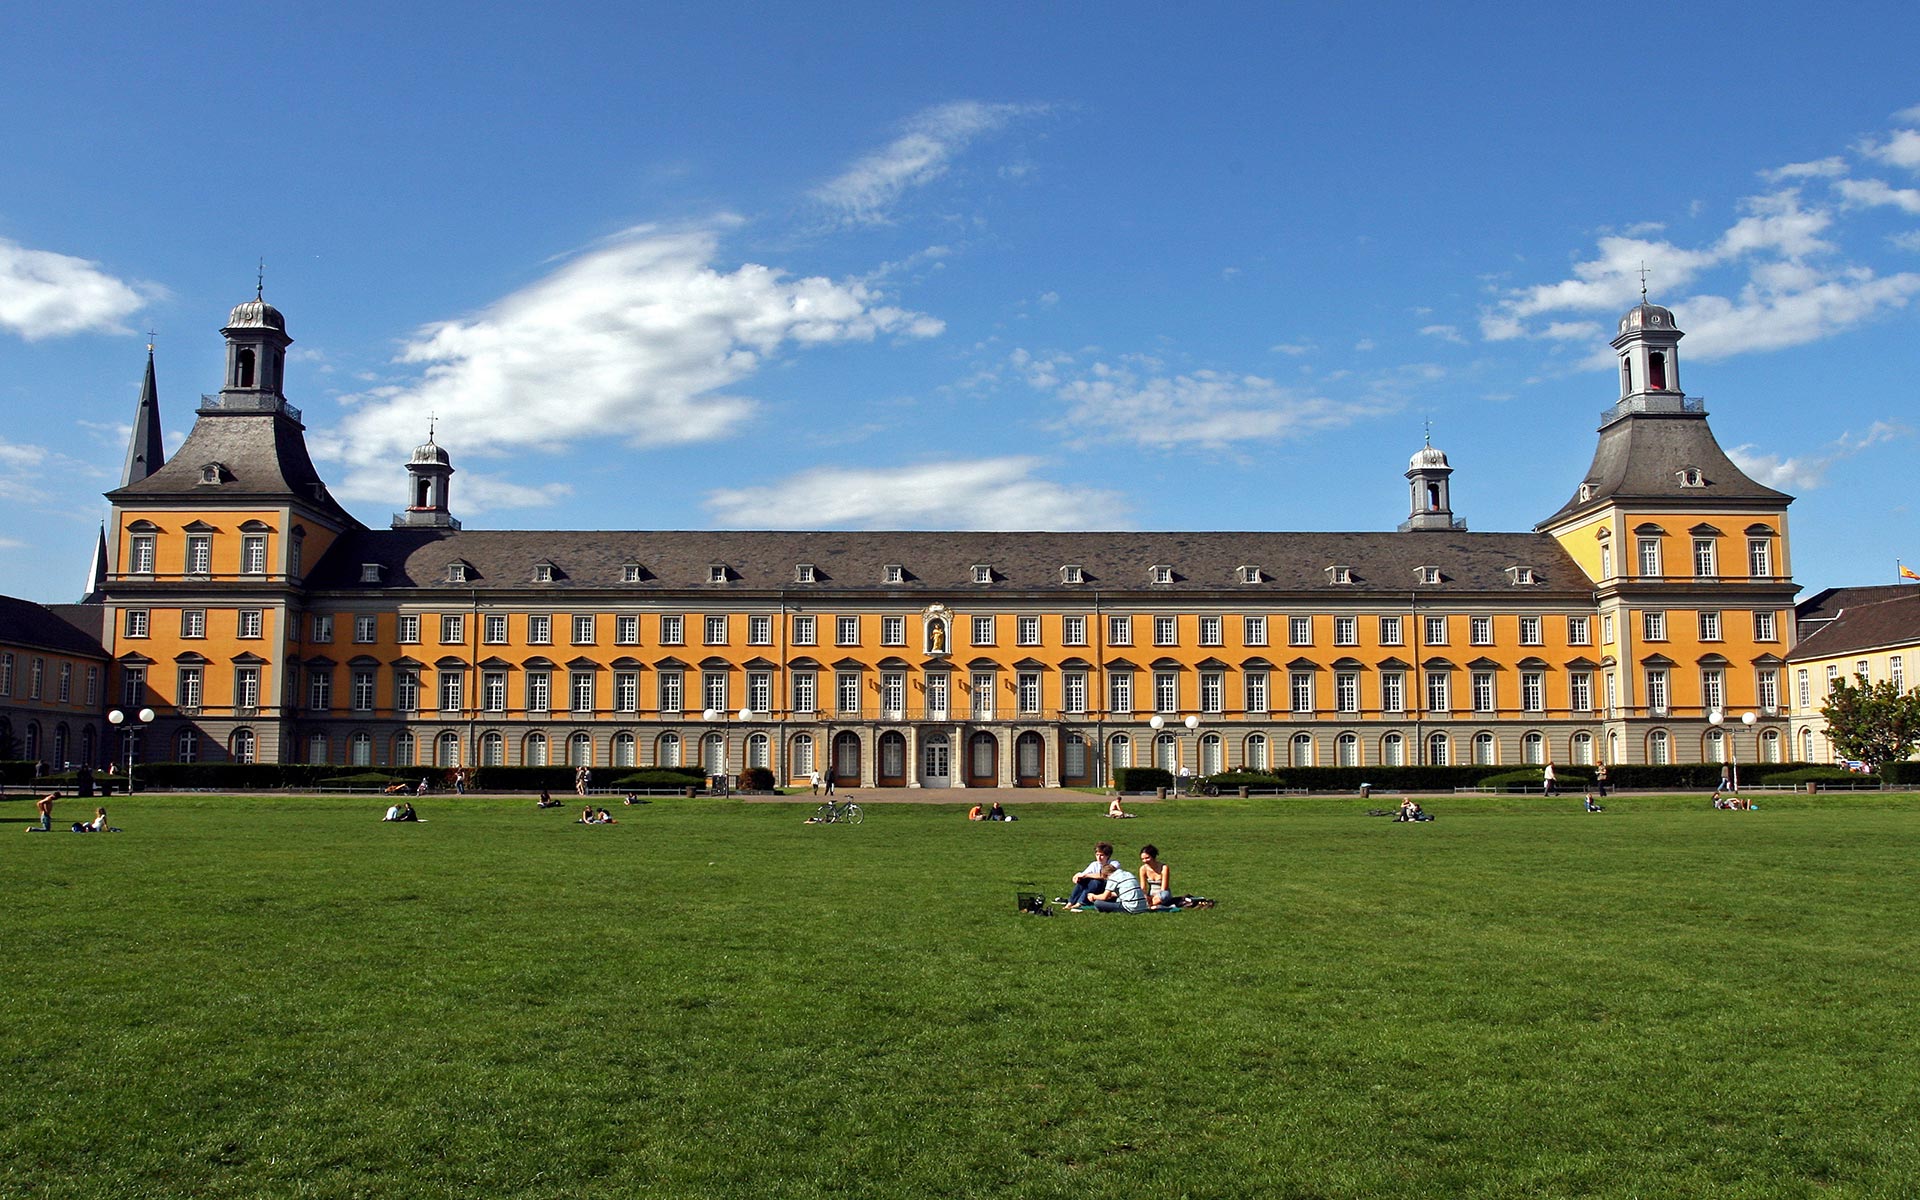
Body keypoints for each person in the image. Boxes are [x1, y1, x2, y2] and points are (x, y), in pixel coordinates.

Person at [1062, 843, 1117, 907]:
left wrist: (1086, 875)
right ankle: (1071, 902)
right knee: (1083, 880)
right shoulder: (1094, 864)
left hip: (1107, 888)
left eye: (1101, 855)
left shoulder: (1114, 864)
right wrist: (1077, 877)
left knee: (1095, 882)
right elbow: (1083, 874)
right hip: (1094, 887)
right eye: (1097, 855)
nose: (1099, 858)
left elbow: (1104, 875)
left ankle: (1080, 903)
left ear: (1107, 856)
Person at [1077, 865, 1148, 913]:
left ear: (1105, 875)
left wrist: (1093, 896)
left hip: (1131, 908)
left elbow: (1104, 896)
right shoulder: (1128, 874)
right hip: (1143, 906)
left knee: (1098, 903)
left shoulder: (1113, 878)